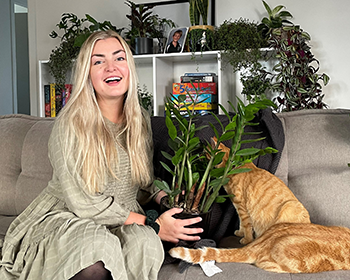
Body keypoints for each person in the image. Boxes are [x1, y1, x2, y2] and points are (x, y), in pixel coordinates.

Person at [0, 30, 203, 280]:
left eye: (119, 58)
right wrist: (153, 224)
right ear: (87, 73)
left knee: (145, 245)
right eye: (99, 61)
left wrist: (167, 200)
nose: (111, 67)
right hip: (70, 216)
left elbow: (142, 183)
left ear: (129, 66)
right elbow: (83, 203)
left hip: (124, 216)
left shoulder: (140, 120)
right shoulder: (70, 125)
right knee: (95, 249)